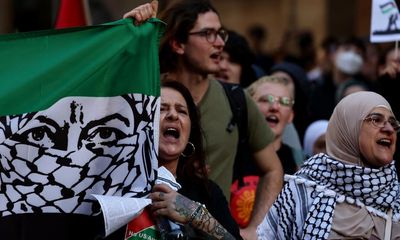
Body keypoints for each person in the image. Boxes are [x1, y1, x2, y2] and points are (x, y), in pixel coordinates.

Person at [124, 1, 283, 239]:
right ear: (178, 43)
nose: (219, 42)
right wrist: (128, 34)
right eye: (207, 34)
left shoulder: (236, 99)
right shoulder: (144, 94)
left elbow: (273, 169)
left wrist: (254, 230)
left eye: (220, 34)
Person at [257, 91, 400, 239]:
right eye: (376, 119)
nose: (389, 129)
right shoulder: (304, 191)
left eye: (393, 123)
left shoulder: (395, 198)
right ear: (349, 127)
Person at [148, 81, 241, 239]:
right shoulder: (116, 185)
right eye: (161, 109)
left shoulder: (207, 192)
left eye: (182, 111)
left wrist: (194, 213)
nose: (173, 115)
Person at [247, 76, 304, 174]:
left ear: (291, 116)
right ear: (247, 106)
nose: (274, 107)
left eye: (284, 102)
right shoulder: (229, 153)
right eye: (266, 99)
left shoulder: (301, 166)